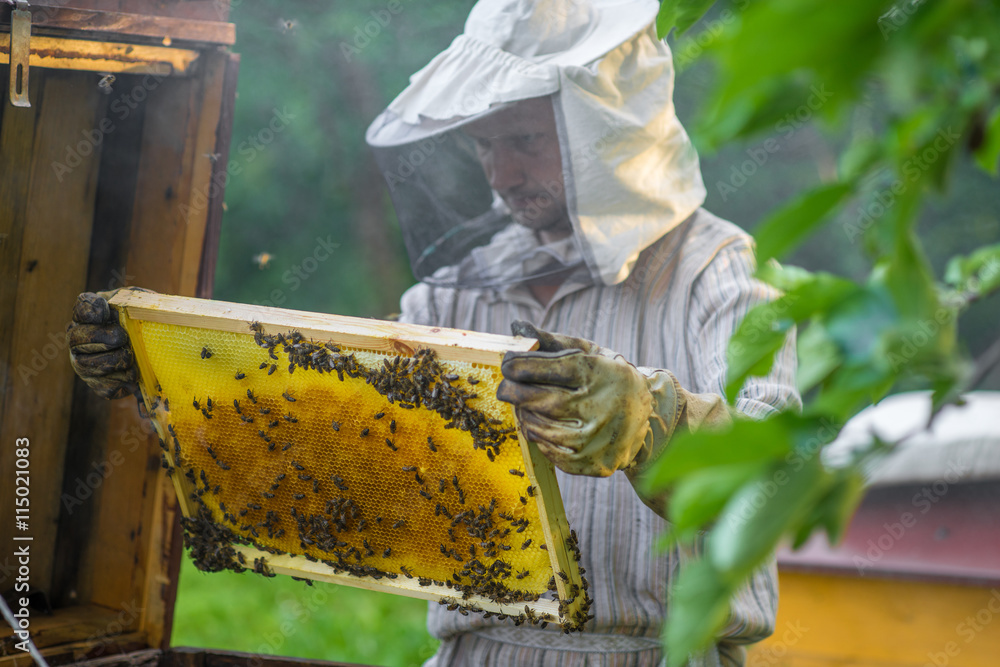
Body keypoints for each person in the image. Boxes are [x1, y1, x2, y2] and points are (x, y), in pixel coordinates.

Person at [68, 1, 799, 665]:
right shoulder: (449, 292)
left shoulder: (719, 274)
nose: (501, 174)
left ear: (606, 127)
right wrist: (170, 381)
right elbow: (334, 452)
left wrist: (647, 422)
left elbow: (776, 478)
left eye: (524, 140)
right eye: (484, 146)